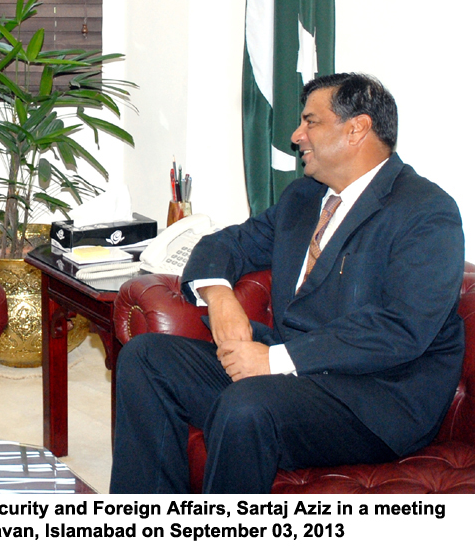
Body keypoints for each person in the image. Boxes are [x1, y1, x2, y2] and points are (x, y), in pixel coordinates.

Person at [109, 73, 465, 493]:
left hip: (373, 401)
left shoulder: (426, 211)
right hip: (291, 378)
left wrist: (274, 361)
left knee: (248, 405)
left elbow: (401, 328)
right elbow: (225, 244)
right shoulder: (304, 198)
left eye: (310, 122)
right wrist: (220, 296)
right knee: (146, 358)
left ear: (357, 129)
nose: (297, 136)